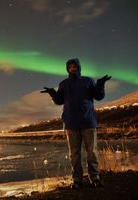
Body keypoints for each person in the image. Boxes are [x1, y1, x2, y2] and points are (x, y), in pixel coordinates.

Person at [41, 58, 111, 189]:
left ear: (79, 68)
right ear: (67, 69)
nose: (72, 68)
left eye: (75, 66)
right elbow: (59, 101)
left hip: (88, 122)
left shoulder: (88, 81)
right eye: (70, 67)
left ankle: (95, 177)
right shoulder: (63, 84)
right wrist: (52, 93)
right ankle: (77, 180)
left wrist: (100, 84)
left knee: (92, 152)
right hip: (71, 124)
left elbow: (99, 96)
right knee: (74, 154)